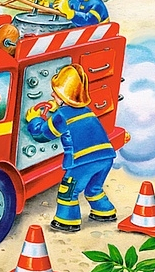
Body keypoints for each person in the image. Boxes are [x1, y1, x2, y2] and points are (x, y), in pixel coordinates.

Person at [25, 64, 116, 232]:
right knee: (94, 188)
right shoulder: (86, 110)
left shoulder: (62, 116)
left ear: (64, 97)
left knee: (68, 191)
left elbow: (43, 134)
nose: (52, 95)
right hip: (106, 157)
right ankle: (105, 211)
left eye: (56, 93)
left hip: (83, 161)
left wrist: (34, 119)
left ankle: (67, 221)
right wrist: (58, 106)